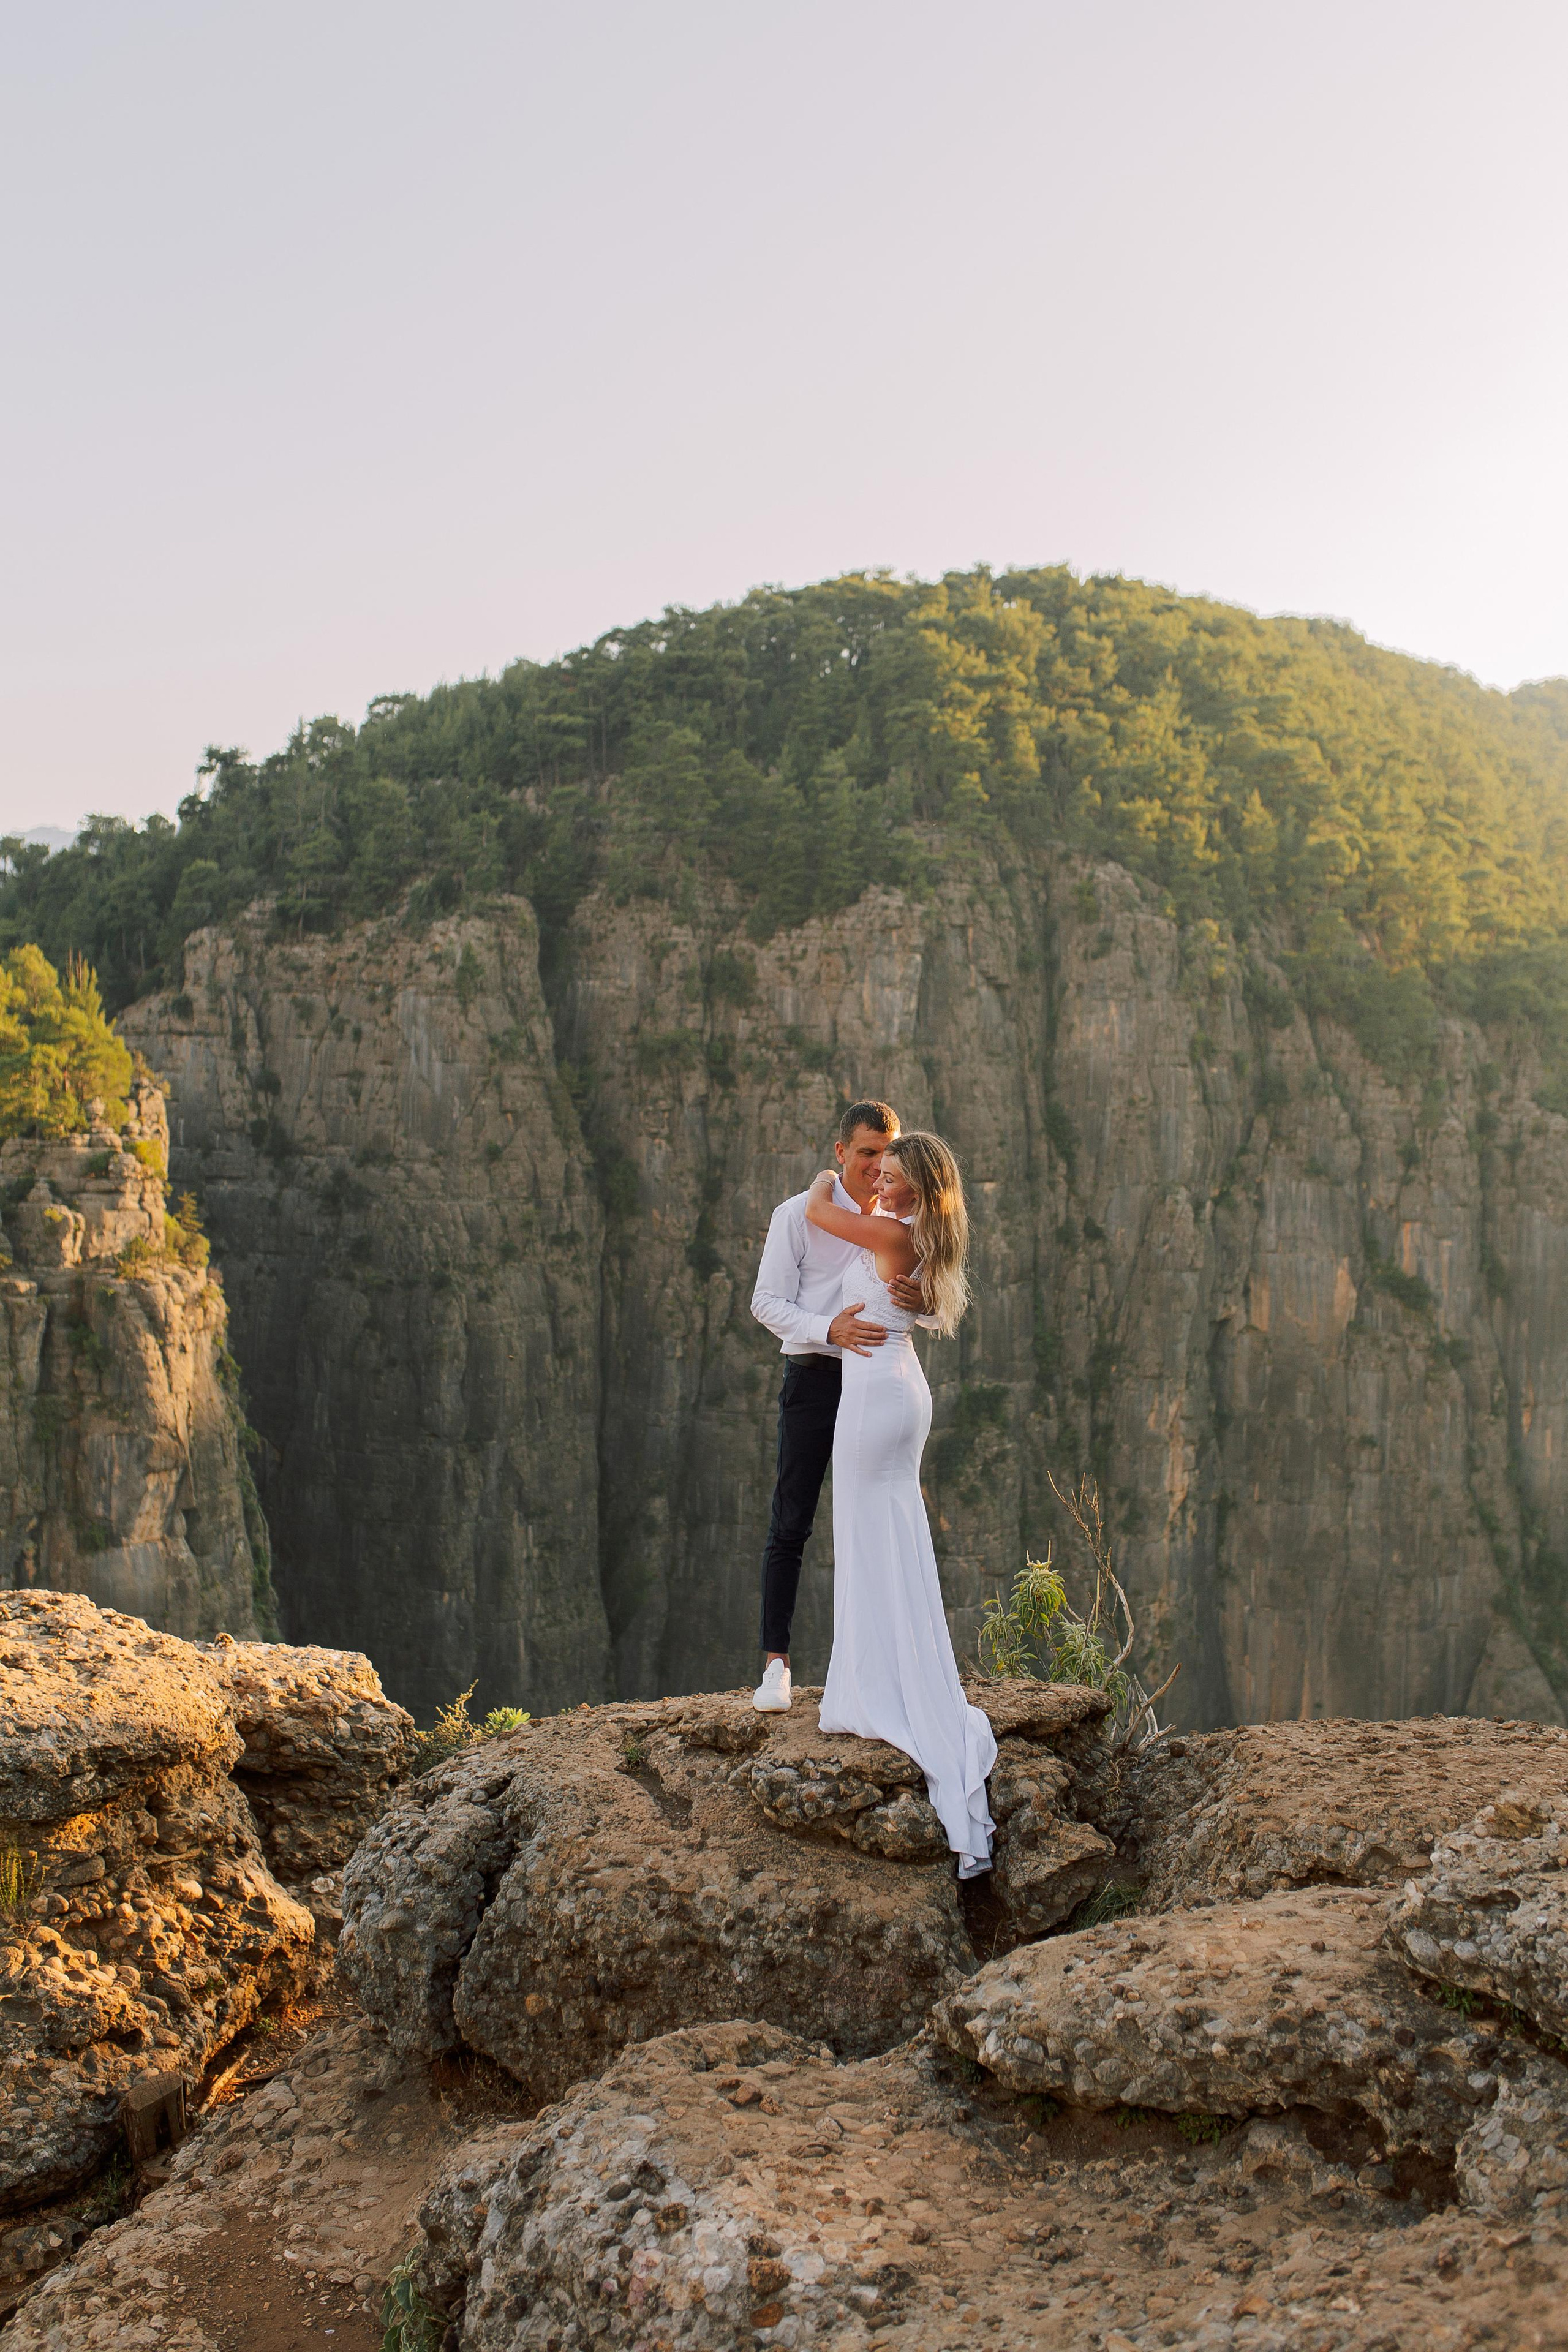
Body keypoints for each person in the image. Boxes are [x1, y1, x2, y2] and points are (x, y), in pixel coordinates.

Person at [804, 1131, 995, 1879]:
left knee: (864, 1535)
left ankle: (877, 1688)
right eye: (874, 1171)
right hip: (898, 1389)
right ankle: (885, 1677)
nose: (877, 1182)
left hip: (875, 1399)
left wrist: (831, 1173)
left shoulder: (887, 1230)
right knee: (890, 1535)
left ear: (914, 1186)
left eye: (889, 1175)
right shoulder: (921, 1239)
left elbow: (821, 1212)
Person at [749, 1101, 929, 1713]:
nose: (877, 1166)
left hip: (879, 1382)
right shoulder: (798, 1216)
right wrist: (831, 1329)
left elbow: (927, 1301)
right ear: (841, 1153)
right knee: (791, 1520)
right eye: (867, 1153)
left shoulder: (904, 1215)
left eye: (887, 1154)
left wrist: (920, 1296)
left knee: (877, 1519)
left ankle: (884, 1664)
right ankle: (776, 1666)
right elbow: (765, 1303)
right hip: (816, 1377)